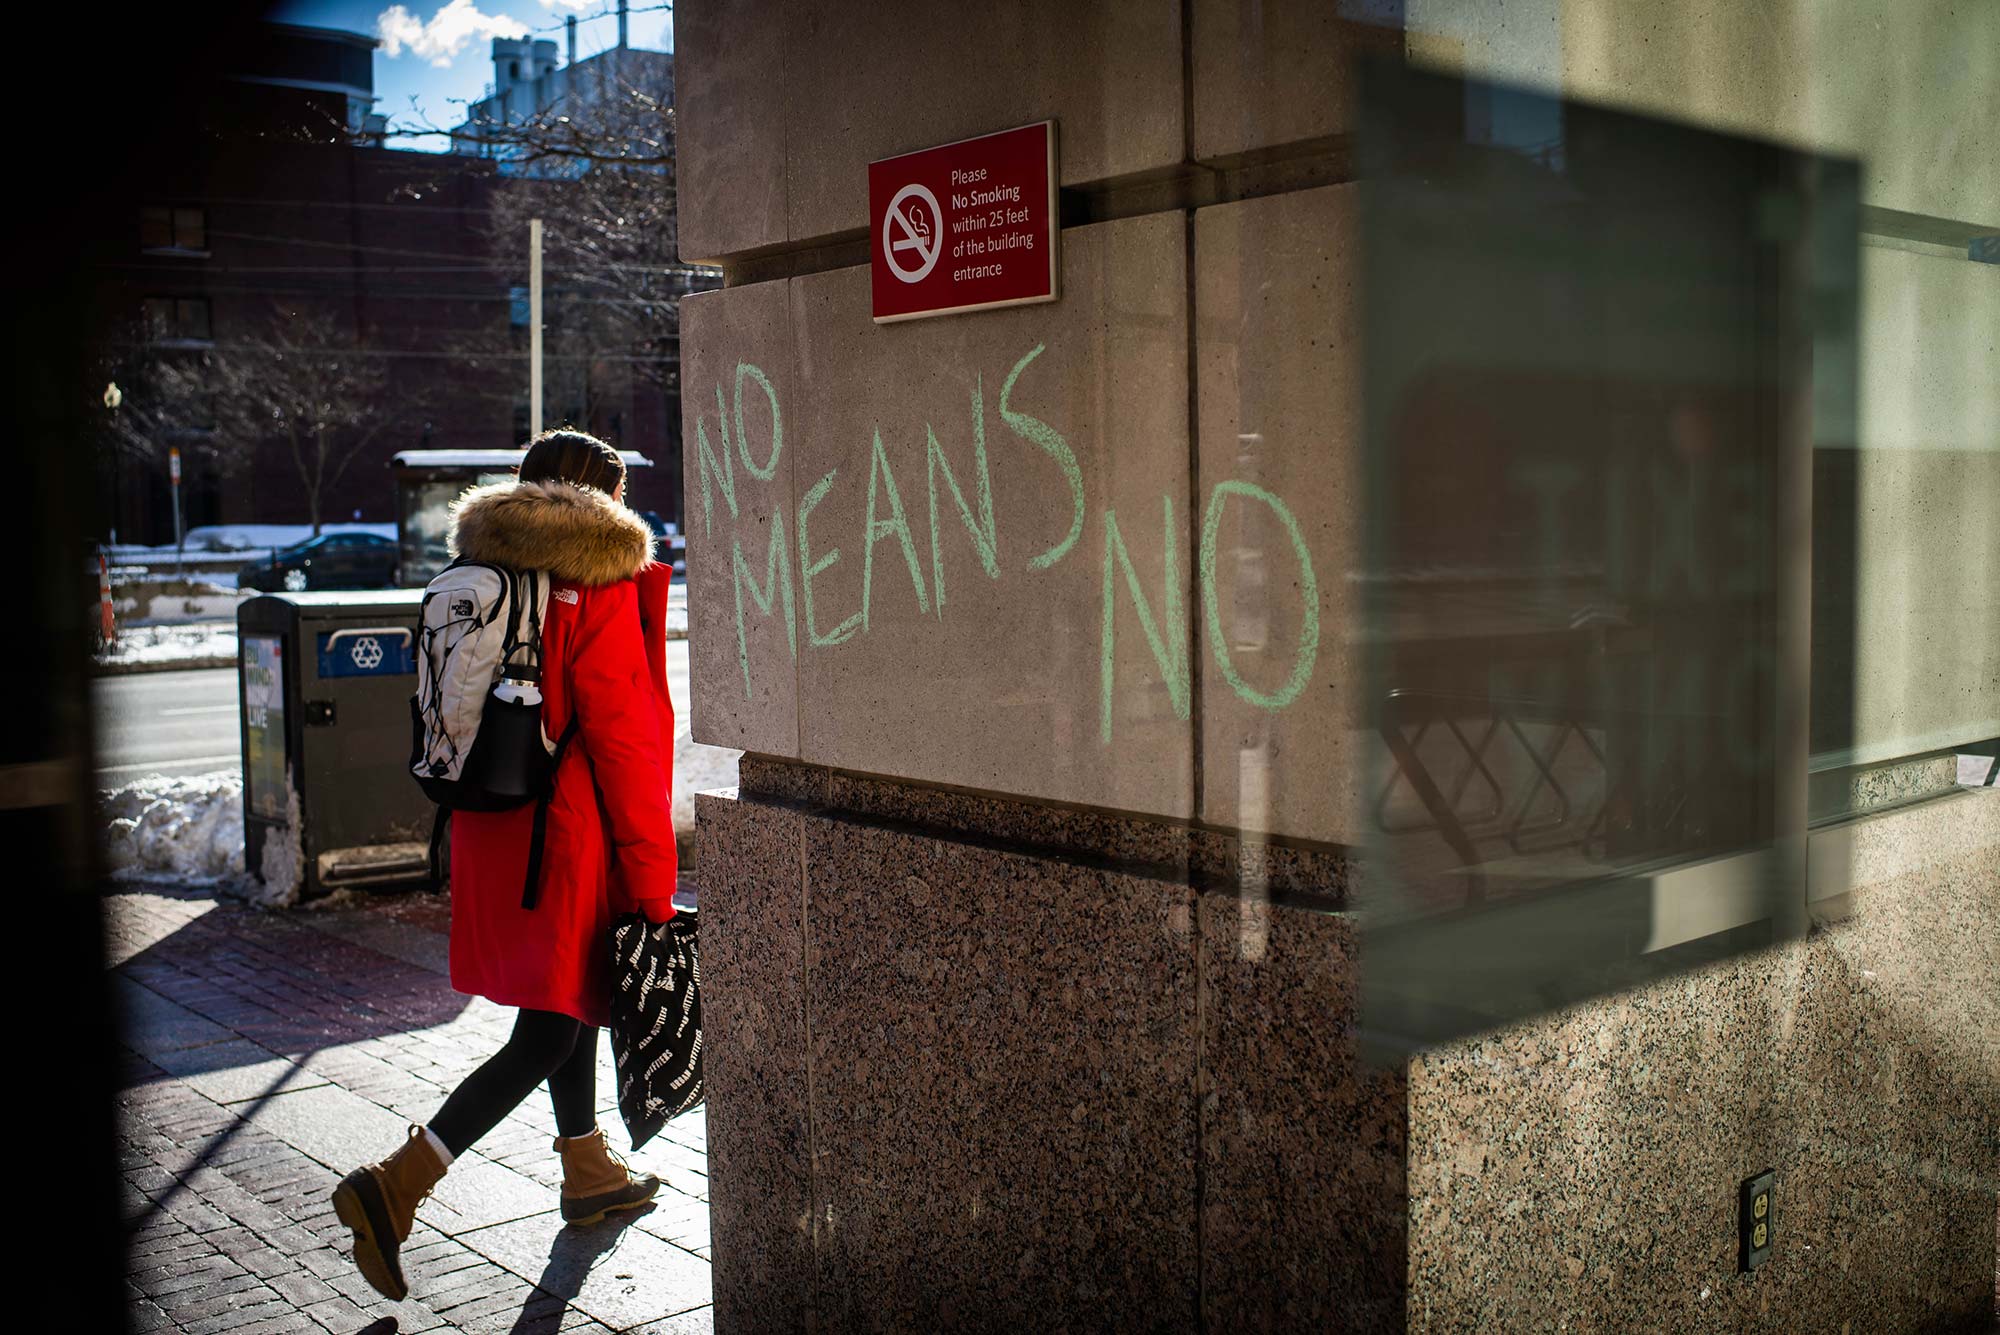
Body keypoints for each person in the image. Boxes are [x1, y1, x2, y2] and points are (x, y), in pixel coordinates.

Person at [331, 429, 678, 1303]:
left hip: (496, 826)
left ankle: (588, 1170)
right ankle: (398, 1182)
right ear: (601, 499)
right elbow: (629, 742)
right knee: (552, 1024)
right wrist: (652, 878)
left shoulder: (492, 572)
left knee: (567, 992)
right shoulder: (592, 583)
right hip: (565, 836)